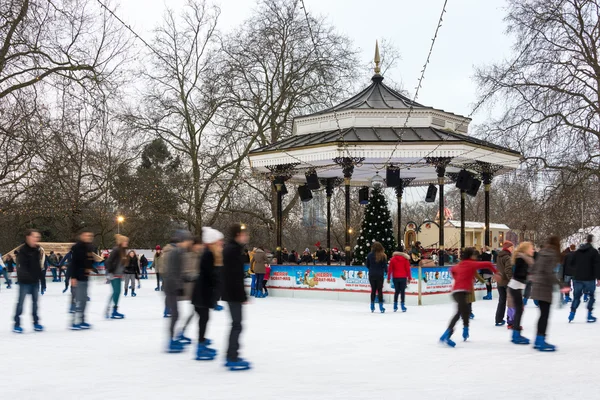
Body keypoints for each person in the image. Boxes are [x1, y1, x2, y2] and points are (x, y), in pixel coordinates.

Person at [439, 247, 496, 347]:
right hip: (461, 292)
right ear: (471, 256)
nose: (476, 257)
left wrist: (458, 278)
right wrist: (497, 273)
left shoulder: (460, 264)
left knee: (464, 311)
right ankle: (447, 335)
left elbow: (451, 269)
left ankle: (464, 329)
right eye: (475, 255)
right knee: (460, 312)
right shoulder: (471, 263)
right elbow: (488, 264)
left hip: (458, 292)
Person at [531, 236, 568, 351]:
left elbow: (534, 268)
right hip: (545, 287)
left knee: (542, 314)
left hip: (537, 285)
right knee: (545, 315)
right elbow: (549, 273)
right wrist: (560, 284)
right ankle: (541, 340)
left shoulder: (542, 252)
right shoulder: (552, 254)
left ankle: (538, 339)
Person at [192, 227, 224, 361]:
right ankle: (200, 347)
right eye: (219, 241)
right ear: (212, 242)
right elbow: (211, 276)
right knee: (204, 319)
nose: (221, 243)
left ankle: (202, 341)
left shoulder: (210, 253)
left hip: (203, 293)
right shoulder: (208, 254)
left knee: (204, 319)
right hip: (202, 294)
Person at [222, 223, 251, 370]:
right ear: (238, 235)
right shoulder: (233, 250)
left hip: (231, 292)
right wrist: (242, 295)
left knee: (236, 324)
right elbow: (235, 276)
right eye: (244, 234)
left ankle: (231, 354)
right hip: (233, 293)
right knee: (237, 325)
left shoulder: (232, 249)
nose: (246, 236)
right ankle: (232, 357)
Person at [163, 230, 194, 353]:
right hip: (171, 286)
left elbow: (179, 273)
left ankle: (172, 339)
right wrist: (180, 285)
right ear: (183, 241)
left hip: (172, 285)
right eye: (188, 240)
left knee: (176, 314)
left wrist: (189, 278)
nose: (190, 243)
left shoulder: (179, 252)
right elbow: (174, 272)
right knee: (175, 315)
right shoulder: (176, 252)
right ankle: (170, 341)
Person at [14, 229, 45, 333]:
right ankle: (16, 323)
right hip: (24, 282)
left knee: (35, 303)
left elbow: (38, 266)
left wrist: (42, 281)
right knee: (21, 303)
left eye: (37, 237)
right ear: (28, 237)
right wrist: (26, 277)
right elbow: (20, 268)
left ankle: (36, 322)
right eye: (34, 237)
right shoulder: (22, 251)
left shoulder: (37, 250)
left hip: (35, 282)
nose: (36, 239)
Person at [177, 237, 203, 345]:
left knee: (197, 312)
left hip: (195, 287)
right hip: (190, 288)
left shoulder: (198, 256)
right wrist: (196, 276)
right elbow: (185, 273)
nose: (200, 247)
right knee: (198, 311)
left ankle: (183, 331)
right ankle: (182, 332)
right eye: (198, 245)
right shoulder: (188, 256)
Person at [507, 241, 535, 344]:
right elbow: (518, 274)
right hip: (515, 287)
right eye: (531, 248)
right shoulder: (521, 259)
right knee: (519, 310)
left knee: (520, 310)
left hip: (517, 287)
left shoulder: (525, 259)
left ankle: (516, 333)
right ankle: (516, 334)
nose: (533, 250)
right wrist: (529, 276)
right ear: (526, 249)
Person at [568, 234, 600, 323]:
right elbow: (597, 265)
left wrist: (576, 270)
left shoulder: (578, 251)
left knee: (576, 297)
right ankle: (589, 314)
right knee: (591, 296)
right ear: (592, 240)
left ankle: (572, 313)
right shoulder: (594, 252)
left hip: (577, 277)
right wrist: (598, 278)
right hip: (589, 278)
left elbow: (572, 263)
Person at [70, 230, 96, 330]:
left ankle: (82, 320)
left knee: (84, 300)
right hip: (78, 277)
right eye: (86, 235)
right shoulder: (77, 247)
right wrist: (73, 277)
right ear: (81, 236)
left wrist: (91, 266)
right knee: (79, 300)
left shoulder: (89, 247)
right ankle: (74, 322)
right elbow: (74, 263)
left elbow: (89, 261)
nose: (88, 237)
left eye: (90, 235)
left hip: (85, 277)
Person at [104, 234, 128, 319]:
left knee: (116, 292)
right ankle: (111, 310)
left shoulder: (123, 251)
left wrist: (124, 271)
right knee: (116, 292)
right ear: (121, 242)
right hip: (113, 274)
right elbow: (109, 261)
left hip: (118, 274)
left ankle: (113, 310)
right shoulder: (116, 250)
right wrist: (110, 272)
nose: (126, 243)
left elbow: (121, 264)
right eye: (125, 241)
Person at [494, 241, 514, 327]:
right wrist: (511, 280)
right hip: (507, 281)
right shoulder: (508, 257)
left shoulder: (499, 256)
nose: (513, 249)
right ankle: (511, 319)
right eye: (512, 247)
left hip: (500, 281)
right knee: (511, 301)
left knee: (502, 301)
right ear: (508, 248)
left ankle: (498, 319)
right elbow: (508, 270)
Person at [387, 247, 411, 312]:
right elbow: (408, 269)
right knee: (402, 292)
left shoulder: (392, 259)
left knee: (396, 291)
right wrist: (409, 278)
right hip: (403, 277)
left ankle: (395, 306)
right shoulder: (405, 259)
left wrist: (388, 278)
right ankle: (403, 306)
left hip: (395, 277)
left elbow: (390, 270)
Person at [366, 242, 387, 313]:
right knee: (380, 290)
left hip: (372, 274)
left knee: (373, 290)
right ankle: (381, 307)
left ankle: (372, 306)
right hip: (379, 275)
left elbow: (367, 265)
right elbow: (385, 266)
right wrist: (386, 271)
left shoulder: (369, 255)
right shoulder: (383, 256)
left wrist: (371, 269)